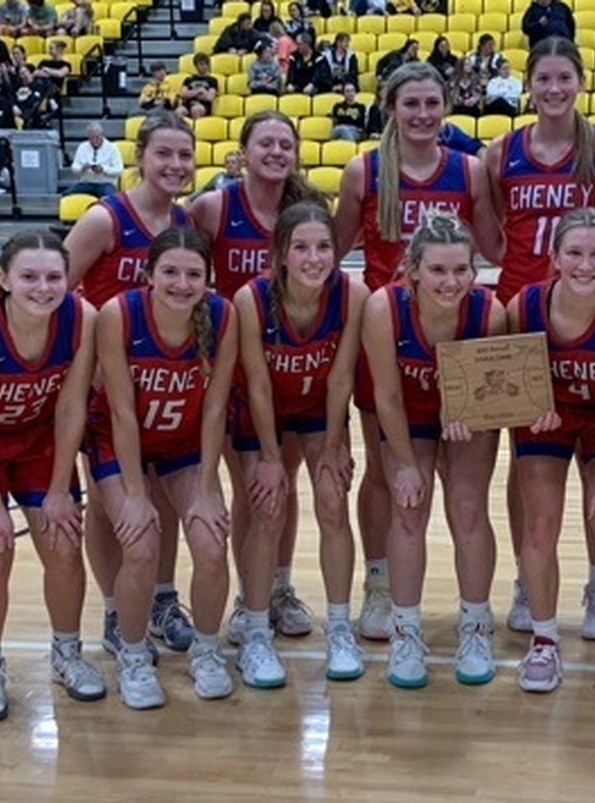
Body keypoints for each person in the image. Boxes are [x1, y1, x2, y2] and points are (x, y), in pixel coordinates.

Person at [335, 62, 504, 642]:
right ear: (391, 108)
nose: (423, 114)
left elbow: (494, 247)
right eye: (411, 103)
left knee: (464, 488)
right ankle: (379, 585)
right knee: (385, 477)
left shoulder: (468, 170)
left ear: (446, 106)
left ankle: (474, 608)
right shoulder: (363, 172)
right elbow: (331, 250)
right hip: (389, 335)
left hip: (455, 336)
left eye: (433, 103)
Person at [483, 35, 595, 638]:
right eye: (542, 78)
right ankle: (529, 580)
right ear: (528, 84)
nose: (553, 88)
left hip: (590, 310)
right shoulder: (502, 151)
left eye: (563, 78)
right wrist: (525, 270)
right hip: (524, 317)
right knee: (527, 463)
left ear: (580, 82)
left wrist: (592, 274)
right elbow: (491, 234)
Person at [0, 231, 102, 722]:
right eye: (29, 277)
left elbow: (71, 408)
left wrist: (59, 490)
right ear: (5, 280)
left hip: (38, 439)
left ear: (69, 280)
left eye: (54, 277)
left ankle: (67, 655)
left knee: (64, 547)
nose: (43, 288)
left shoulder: (82, 319)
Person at [189, 110, 329, 642]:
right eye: (265, 143)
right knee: (254, 490)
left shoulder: (309, 209)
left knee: (282, 486)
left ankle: (278, 589)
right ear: (243, 151)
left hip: (293, 366)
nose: (275, 152)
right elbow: (186, 274)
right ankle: (250, 597)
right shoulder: (212, 208)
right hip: (237, 372)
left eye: (285, 144)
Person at [85, 225, 238, 708]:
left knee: (211, 543)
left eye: (194, 274)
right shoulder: (119, 315)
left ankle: (206, 651)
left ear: (208, 280)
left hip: (183, 442)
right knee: (141, 544)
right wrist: (135, 493)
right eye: (170, 272)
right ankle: (133, 655)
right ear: (148, 275)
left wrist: (208, 486)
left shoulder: (222, 315)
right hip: (116, 441)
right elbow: (122, 411)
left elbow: (215, 407)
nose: (181, 284)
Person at [64, 111, 197, 662]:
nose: (175, 164)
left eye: (184, 155)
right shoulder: (105, 220)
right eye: (163, 153)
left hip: (160, 387)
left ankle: (160, 600)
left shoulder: (182, 222)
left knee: (161, 495)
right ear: (139, 156)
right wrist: (88, 360)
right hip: (103, 389)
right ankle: (116, 610)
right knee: (106, 502)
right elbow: (55, 292)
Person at [509, 207, 595, 695]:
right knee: (540, 524)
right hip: (550, 418)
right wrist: (533, 406)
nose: (585, 265)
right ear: (554, 258)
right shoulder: (525, 305)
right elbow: (512, 382)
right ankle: (544, 640)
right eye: (574, 253)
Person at [361, 212, 506, 688]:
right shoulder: (383, 309)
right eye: (438, 270)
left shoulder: (490, 313)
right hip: (408, 412)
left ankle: (476, 627)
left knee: (467, 507)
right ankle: (405, 631)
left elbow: (491, 392)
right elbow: (386, 397)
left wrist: (463, 411)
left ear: (474, 270)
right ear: (414, 270)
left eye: (461, 269)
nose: (450, 281)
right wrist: (405, 464)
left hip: (464, 415)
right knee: (408, 507)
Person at [231, 203, 369, 687]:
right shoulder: (251, 299)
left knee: (332, 500)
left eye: (324, 246)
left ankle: (340, 629)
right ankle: (255, 631)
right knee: (268, 506)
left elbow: (341, 378)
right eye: (302, 247)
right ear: (281, 254)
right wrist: (270, 457)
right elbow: (257, 386)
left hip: (317, 409)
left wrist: (333, 447)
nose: (314, 258)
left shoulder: (353, 294)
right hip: (261, 410)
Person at [65, 122, 124, 198]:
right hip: (86, 183)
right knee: (67, 195)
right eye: (91, 138)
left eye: (97, 137)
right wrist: (82, 168)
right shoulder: (82, 147)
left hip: (105, 183)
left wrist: (103, 169)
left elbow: (119, 170)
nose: (94, 140)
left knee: (109, 198)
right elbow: (74, 167)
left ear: (102, 135)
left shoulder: (112, 148)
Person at [176, 53, 219, 119]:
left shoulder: (212, 80)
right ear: (196, 66)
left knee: (195, 110)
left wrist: (191, 94)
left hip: (203, 106)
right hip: (187, 105)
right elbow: (183, 94)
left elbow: (209, 97)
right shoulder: (189, 79)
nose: (204, 67)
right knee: (178, 111)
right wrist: (199, 91)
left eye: (206, 64)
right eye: (201, 64)